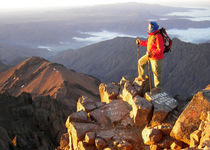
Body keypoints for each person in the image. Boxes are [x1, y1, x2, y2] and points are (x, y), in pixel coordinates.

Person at [136, 21, 164, 90]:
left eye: (149, 27)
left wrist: (151, 53)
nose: (148, 28)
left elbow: (160, 49)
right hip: (149, 55)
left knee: (156, 73)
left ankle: (158, 88)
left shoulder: (158, 36)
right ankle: (141, 77)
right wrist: (140, 43)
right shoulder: (151, 35)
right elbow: (148, 43)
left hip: (156, 58)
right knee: (140, 62)